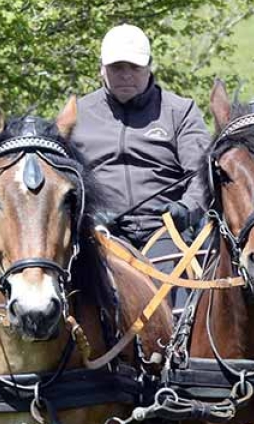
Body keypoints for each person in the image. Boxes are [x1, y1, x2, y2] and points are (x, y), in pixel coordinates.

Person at [69, 24, 212, 255]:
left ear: (148, 67)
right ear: (101, 69)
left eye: (135, 67)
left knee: (173, 288)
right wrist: (87, 214)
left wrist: (186, 209)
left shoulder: (180, 111)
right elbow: (62, 180)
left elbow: (203, 175)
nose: (126, 75)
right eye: (117, 67)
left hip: (166, 232)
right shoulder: (76, 114)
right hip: (100, 234)